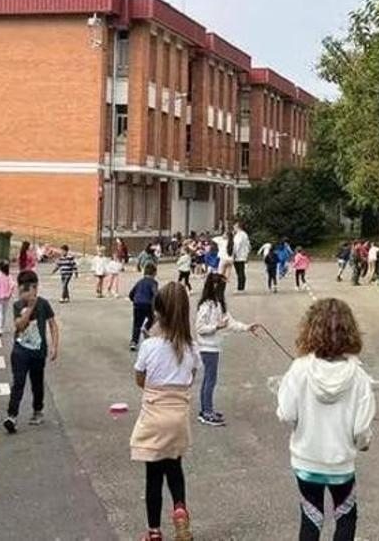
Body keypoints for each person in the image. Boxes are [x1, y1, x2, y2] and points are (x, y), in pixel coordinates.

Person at [276, 298, 375, 541]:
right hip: (341, 463)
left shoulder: (299, 369)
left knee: (311, 518)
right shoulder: (359, 376)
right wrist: (363, 443)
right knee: (346, 516)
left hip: (307, 461)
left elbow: (286, 413)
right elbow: (362, 429)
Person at [130, 282, 199, 541]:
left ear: (158, 311)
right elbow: (190, 379)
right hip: (178, 417)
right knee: (175, 468)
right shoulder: (191, 348)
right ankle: (180, 510)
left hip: (154, 416)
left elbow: (140, 378)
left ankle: (154, 532)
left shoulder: (150, 345)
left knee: (153, 477)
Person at [194, 273, 261, 426]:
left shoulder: (219, 304)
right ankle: (206, 412)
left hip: (214, 346)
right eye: (222, 286)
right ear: (215, 286)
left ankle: (206, 408)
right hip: (207, 347)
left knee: (210, 379)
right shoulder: (207, 306)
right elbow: (199, 327)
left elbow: (230, 322)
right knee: (210, 380)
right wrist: (216, 327)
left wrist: (247, 327)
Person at [2, 270, 59, 434]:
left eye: (33, 287)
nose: (30, 291)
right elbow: (19, 325)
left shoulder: (44, 304)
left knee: (37, 383)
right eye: (26, 288)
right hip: (20, 351)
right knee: (18, 383)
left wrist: (55, 346)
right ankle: (12, 416)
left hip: (38, 352)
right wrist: (30, 307)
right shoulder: (18, 305)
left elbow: (53, 324)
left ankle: (37, 410)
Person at [129, 263, 159, 350]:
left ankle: (134, 342)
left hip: (137, 304)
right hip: (148, 304)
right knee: (153, 318)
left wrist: (134, 300)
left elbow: (131, 293)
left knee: (137, 323)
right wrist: (156, 306)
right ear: (154, 273)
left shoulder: (140, 282)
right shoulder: (153, 282)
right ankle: (146, 327)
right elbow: (155, 294)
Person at [232, 222, 251, 291]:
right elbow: (248, 245)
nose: (233, 227)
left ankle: (240, 287)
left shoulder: (239, 235)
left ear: (238, 227)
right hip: (243, 255)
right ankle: (241, 287)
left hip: (238, 256)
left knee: (239, 272)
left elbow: (237, 245)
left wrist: (233, 253)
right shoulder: (245, 234)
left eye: (234, 226)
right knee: (241, 271)